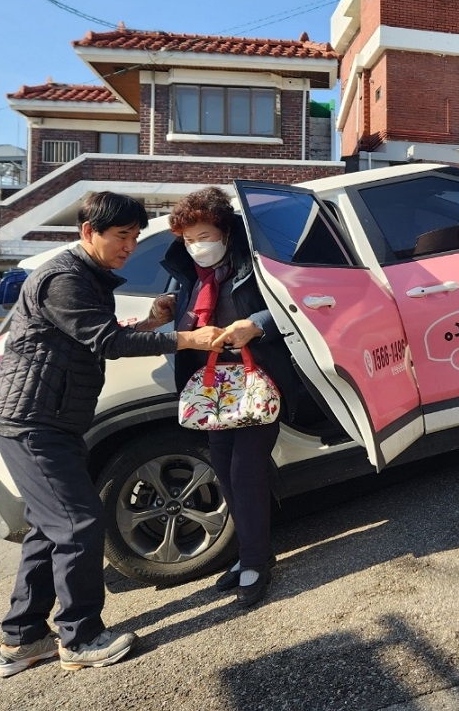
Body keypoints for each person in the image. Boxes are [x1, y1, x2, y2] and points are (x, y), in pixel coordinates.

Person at [0, 192, 225, 677]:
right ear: (88, 232)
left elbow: (96, 335)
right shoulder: (64, 278)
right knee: (79, 524)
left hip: (51, 422)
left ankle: (23, 639)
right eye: (122, 236)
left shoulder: (87, 278)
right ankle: (80, 637)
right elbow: (107, 341)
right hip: (35, 424)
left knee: (48, 532)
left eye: (136, 236)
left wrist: (151, 323)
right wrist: (185, 337)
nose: (130, 245)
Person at [162, 186, 300, 608]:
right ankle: (249, 554)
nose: (196, 246)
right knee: (223, 468)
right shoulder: (187, 273)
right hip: (211, 385)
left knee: (245, 471)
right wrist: (168, 306)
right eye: (188, 239)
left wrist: (255, 325)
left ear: (224, 230)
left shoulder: (255, 261)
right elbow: (184, 314)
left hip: (257, 378)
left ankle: (256, 561)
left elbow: (295, 299)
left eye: (204, 236)